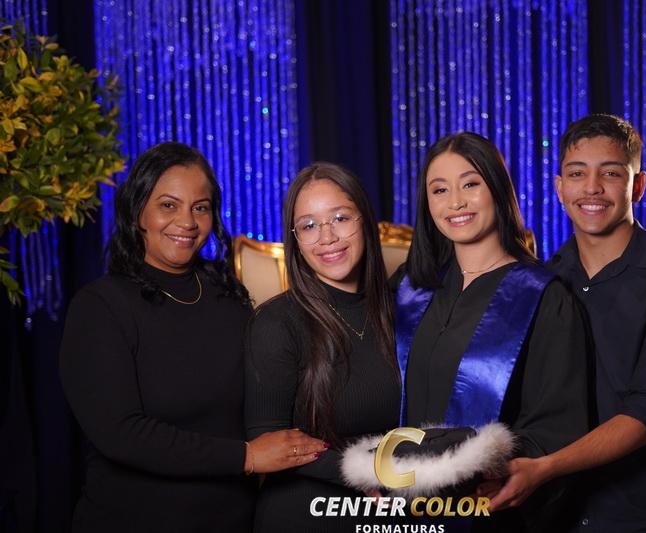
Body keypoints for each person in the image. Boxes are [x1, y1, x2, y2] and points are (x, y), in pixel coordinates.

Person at [59, 142, 325, 533]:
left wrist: (350, 471)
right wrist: (246, 457)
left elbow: (274, 397)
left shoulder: (227, 296)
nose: (187, 221)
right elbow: (122, 434)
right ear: (137, 211)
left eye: (200, 207)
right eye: (168, 205)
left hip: (234, 521)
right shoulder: (100, 306)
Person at [485, 114, 646, 532]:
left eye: (610, 173)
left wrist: (545, 468)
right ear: (560, 188)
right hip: (561, 516)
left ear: (638, 186)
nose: (592, 187)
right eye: (577, 173)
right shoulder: (542, 280)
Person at [392, 132, 589, 531]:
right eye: (439, 190)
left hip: (491, 510)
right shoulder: (409, 288)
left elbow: (559, 423)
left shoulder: (543, 297)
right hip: (404, 507)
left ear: (497, 189)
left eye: (470, 184)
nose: (455, 202)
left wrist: (501, 475)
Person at [245, 162, 401, 532]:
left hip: (390, 512)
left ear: (365, 220)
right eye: (309, 225)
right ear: (295, 239)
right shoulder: (276, 323)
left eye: (341, 218)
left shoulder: (401, 308)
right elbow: (265, 436)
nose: (327, 237)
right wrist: (364, 473)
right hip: (306, 515)